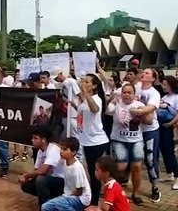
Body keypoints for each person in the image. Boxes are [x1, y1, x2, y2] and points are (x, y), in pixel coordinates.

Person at [70, 73, 109, 207]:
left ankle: (95, 202)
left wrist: (85, 94)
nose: (83, 84)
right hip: (86, 141)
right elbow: (83, 113)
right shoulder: (85, 100)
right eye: (83, 81)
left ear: (94, 86)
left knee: (95, 174)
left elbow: (95, 109)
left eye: (87, 82)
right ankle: (95, 199)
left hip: (96, 141)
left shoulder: (96, 99)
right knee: (92, 172)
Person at [108, 83, 145, 205]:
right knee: (120, 167)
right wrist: (112, 99)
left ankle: (135, 194)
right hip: (119, 139)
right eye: (124, 92)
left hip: (136, 140)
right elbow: (108, 110)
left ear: (134, 94)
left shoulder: (140, 105)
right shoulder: (117, 105)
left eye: (130, 92)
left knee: (137, 167)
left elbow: (149, 120)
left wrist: (140, 113)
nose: (127, 95)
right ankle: (115, 191)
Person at [130, 68, 161, 202]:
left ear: (153, 78)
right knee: (133, 159)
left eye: (147, 73)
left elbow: (151, 108)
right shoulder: (135, 87)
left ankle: (155, 187)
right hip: (135, 130)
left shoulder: (154, 93)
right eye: (143, 72)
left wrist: (136, 110)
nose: (144, 74)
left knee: (150, 159)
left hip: (150, 130)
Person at [41, 137, 91, 211]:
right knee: (45, 207)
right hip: (68, 195)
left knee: (58, 204)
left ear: (73, 152)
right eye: (61, 149)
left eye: (64, 149)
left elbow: (79, 191)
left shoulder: (77, 168)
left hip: (81, 199)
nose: (61, 151)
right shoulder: (65, 161)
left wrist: (66, 197)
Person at [20, 125, 64, 208]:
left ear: (43, 140)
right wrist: (26, 178)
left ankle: (45, 207)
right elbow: (37, 170)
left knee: (40, 180)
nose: (32, 140)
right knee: (26, 185)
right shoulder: (40, 150)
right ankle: (50, 201)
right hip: (51, 180)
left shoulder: (53, 149)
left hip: (62, 182)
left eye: (35, 138)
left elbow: (42, 171)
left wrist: (26, 175)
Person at [158, 75, 178, 190]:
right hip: (161, 127)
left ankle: (177, 178)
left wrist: (171, 123)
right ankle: (169, 174)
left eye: (165, 84)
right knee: (163, 152)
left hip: (168, 127)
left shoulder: (177, 98)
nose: (163, 86)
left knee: (169, 153)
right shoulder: (165, 96)